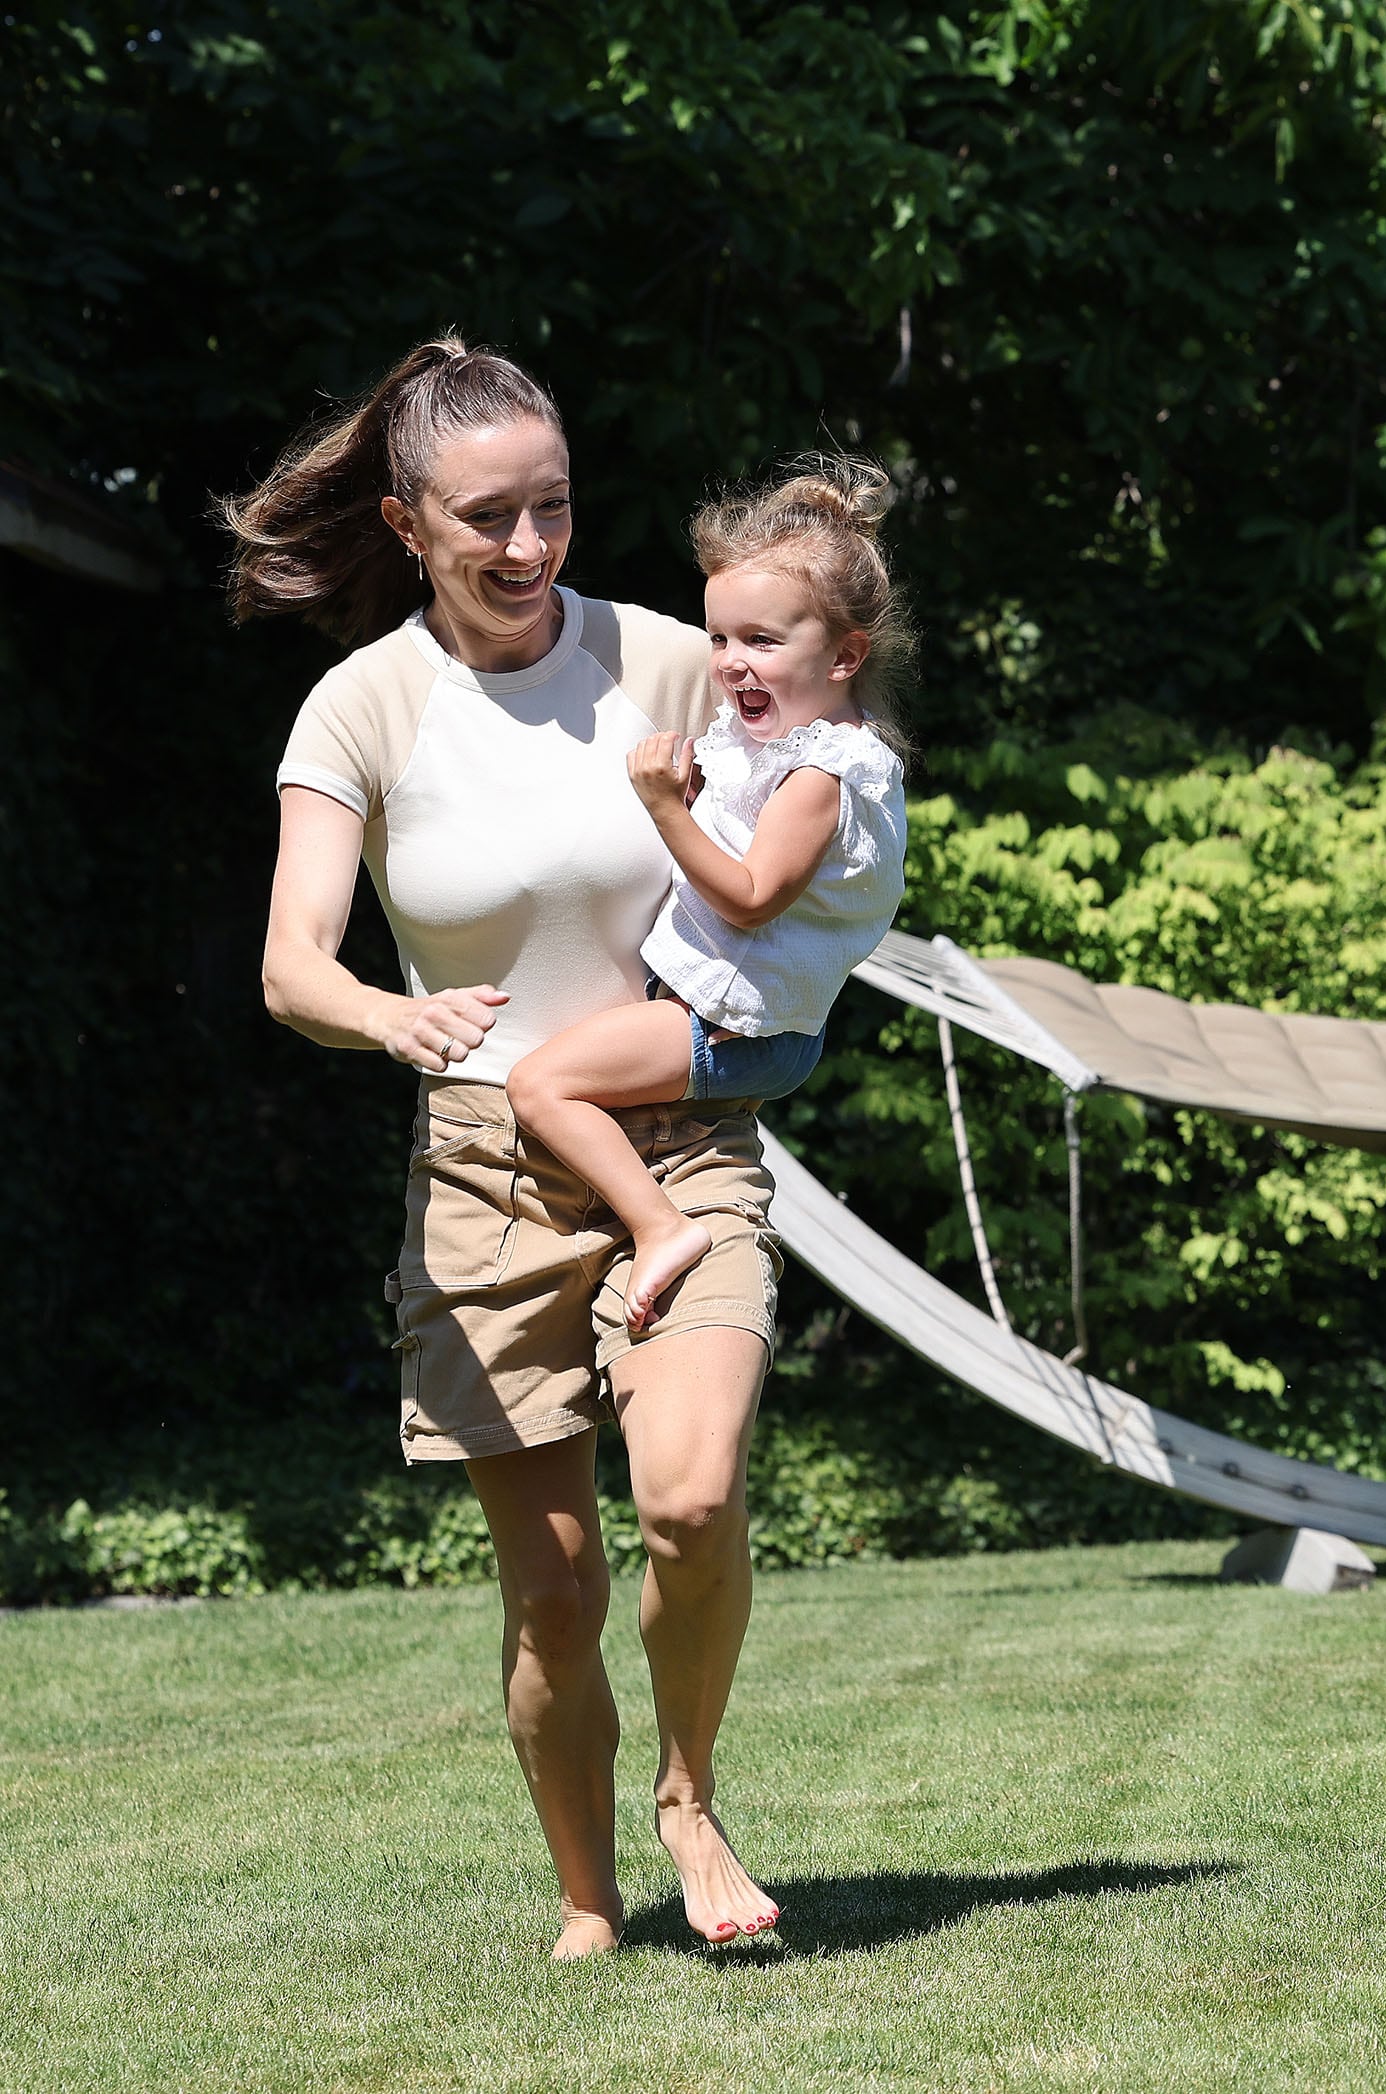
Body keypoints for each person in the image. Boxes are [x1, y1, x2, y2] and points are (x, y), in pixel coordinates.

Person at [244, 337, 787, 1956]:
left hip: (679, 1132)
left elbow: (831, 776)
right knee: (551, 1588)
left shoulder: (671, 658)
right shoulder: (367, 701)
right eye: (486, 515)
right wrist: (380, 1018)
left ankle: (690, 1798)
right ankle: (587, 1896)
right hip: (485, 1161)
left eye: (552, 505)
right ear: (408, 522)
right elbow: (292, 958)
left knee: (689, 1503)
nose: (528, 545)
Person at [507, 457, 910, 1333]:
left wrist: (662, 807)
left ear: (845, 655)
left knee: (540, 1087)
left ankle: (664, 1229)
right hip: (733, 1018)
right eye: (720, 639)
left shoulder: (820, 773)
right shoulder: (784, 741)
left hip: (733, 1027)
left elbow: (752, 897)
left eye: (761, 641)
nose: (730, 664)